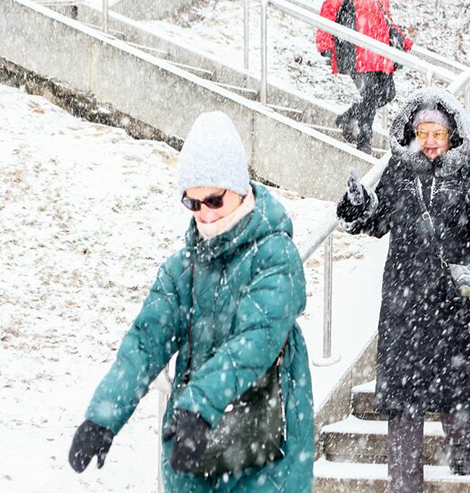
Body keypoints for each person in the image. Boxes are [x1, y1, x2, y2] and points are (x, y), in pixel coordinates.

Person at [68, 111, 314, 492]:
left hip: (266, 454)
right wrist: (103, 416)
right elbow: (145, 342)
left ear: (239, 187)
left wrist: (199, 405)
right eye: (193, 203)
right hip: (194, 450)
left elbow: (255, 342)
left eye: (214, 199)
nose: (205, 213)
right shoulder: (183, 269)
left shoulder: (276, 256)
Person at [337, 87, 470, 492]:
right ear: (412, 133)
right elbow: (374, 221)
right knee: (403, 397)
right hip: (405, 300)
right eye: (423, 131)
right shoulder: (398, 169)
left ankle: (461, 454)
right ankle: (403, 483)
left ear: (452, 133)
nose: (430, 140)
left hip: (454, 300)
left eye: (438, 132)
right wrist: (357, 203)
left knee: (455, 391)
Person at [316, 0, 414, 155]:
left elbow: (385, 18)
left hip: (378, 51)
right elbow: (329, 8)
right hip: (355, 48)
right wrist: (324, 40)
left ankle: (349, 117)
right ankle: (364, 141)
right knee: (370, 93)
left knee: (387, 92)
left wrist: (402, 40)